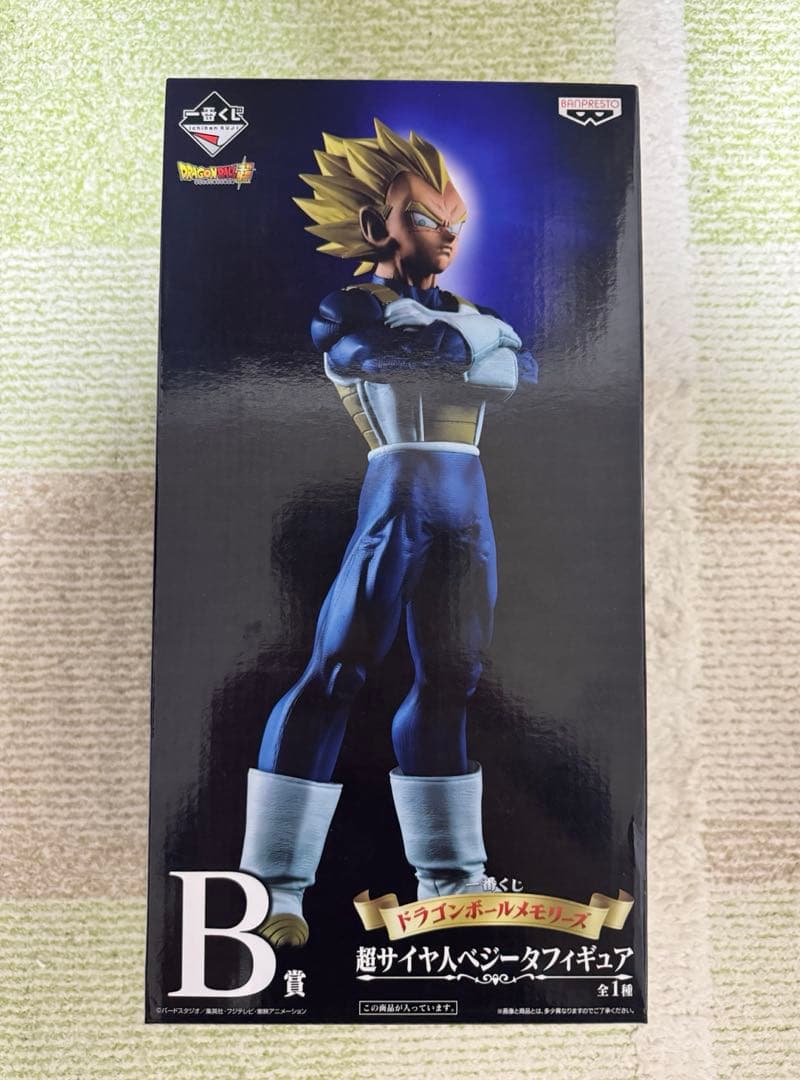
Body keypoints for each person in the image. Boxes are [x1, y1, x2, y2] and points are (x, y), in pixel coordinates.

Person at [239, 118, 537, 946]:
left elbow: (523, 372)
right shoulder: (350, 307)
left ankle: (452, 877)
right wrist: (477, 346)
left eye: (455, 222)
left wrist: (460, 342)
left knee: (454, 678)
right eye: (426, 219)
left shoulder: (465, 310)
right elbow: (395, 359)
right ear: (378, 225)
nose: (447, 236)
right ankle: (272, 889)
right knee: (339, 668)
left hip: (465, 502)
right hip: (396, 492)